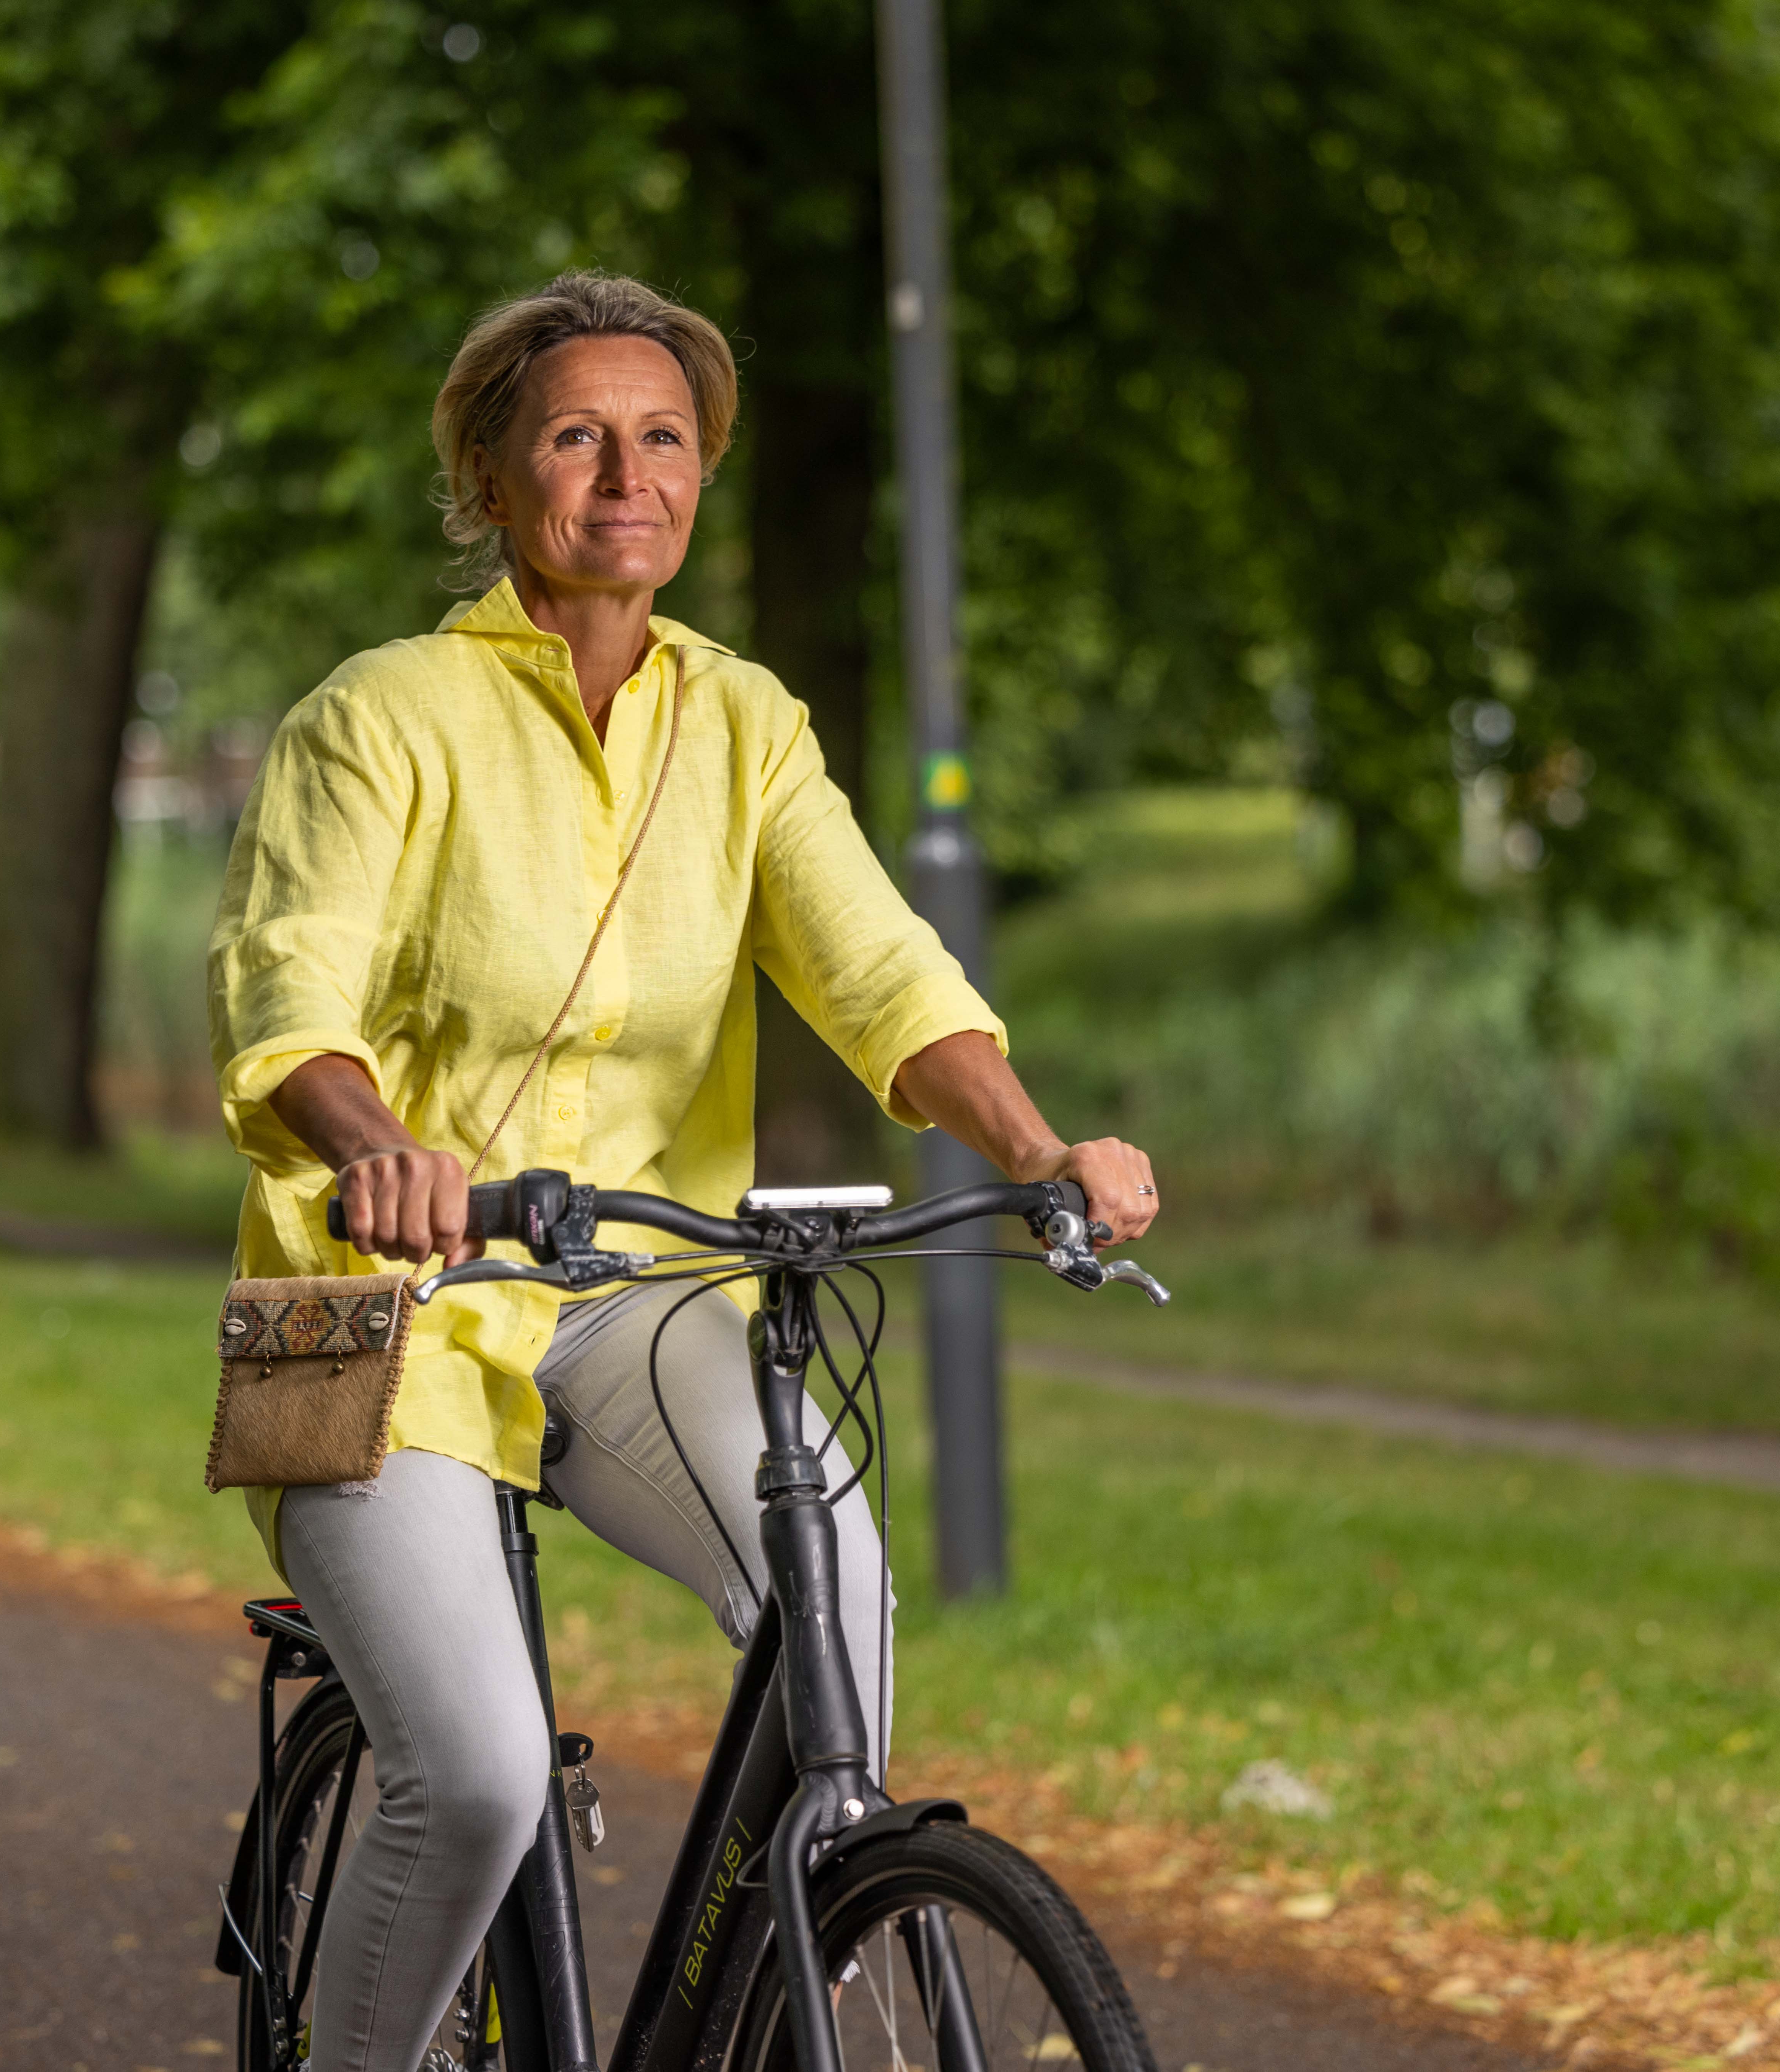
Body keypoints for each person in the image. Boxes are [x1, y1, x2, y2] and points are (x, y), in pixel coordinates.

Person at [206, 269, 1159, 2072]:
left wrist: (1040, 1153)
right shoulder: (379, 716)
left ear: (702, 477)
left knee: (844, 1633)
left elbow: (879, 973)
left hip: (632, 1289)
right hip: (367, 1309)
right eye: (574, 436)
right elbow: (285, 997)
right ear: (494, 483)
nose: (622, 475)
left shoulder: (745, 724)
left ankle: (748, 2006)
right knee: (475, 1777)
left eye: (662, 440)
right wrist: (381, 1150)